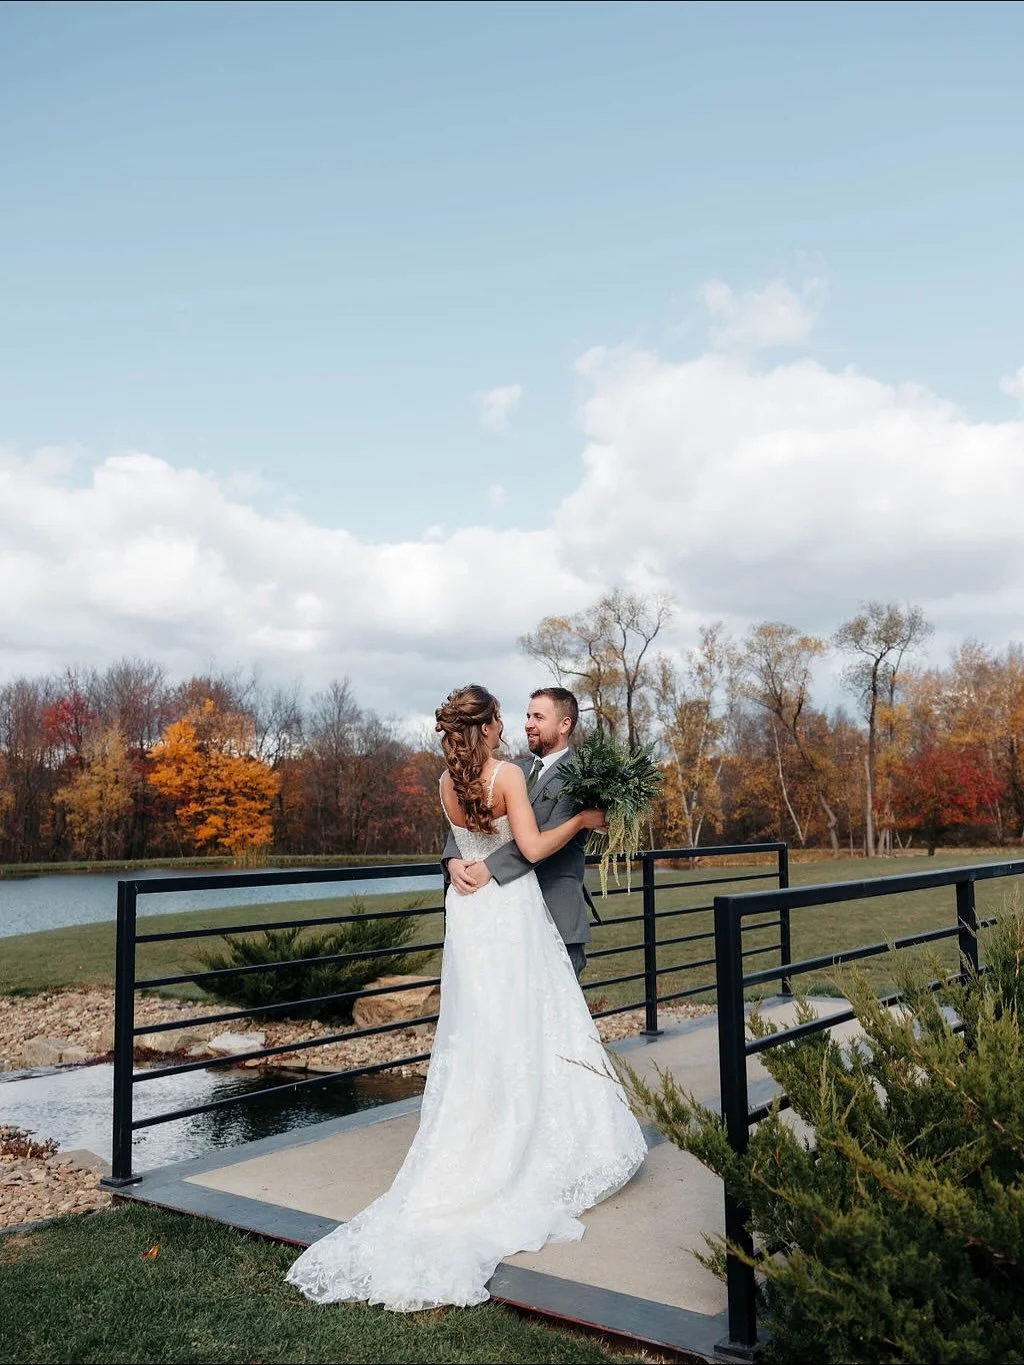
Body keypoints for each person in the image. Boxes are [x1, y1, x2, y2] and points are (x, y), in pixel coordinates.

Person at [285, 684, 647, 1312]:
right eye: (509, 715)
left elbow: (469, 838)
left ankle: (481, 1137)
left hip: (471, 917)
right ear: (488, 727)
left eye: (533, 715)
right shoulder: (508, 773)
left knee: (483, 1030)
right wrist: (584, 822)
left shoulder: (446, 781)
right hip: (506, 913)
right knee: (523, 1025)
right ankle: (523, 1145)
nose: (518, 722)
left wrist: (463, 864)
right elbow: (530, 848)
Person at [443, 686, 596, 978]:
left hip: (555, 914)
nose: (527, 723)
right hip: (498, 918)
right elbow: (470, 823)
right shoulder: (508, 769)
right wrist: (451, 860)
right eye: (527, 715)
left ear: (565, 725)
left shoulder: (583, 777)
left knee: (554, 1019)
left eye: (538, 717)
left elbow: (542, 839)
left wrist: (488, 866)